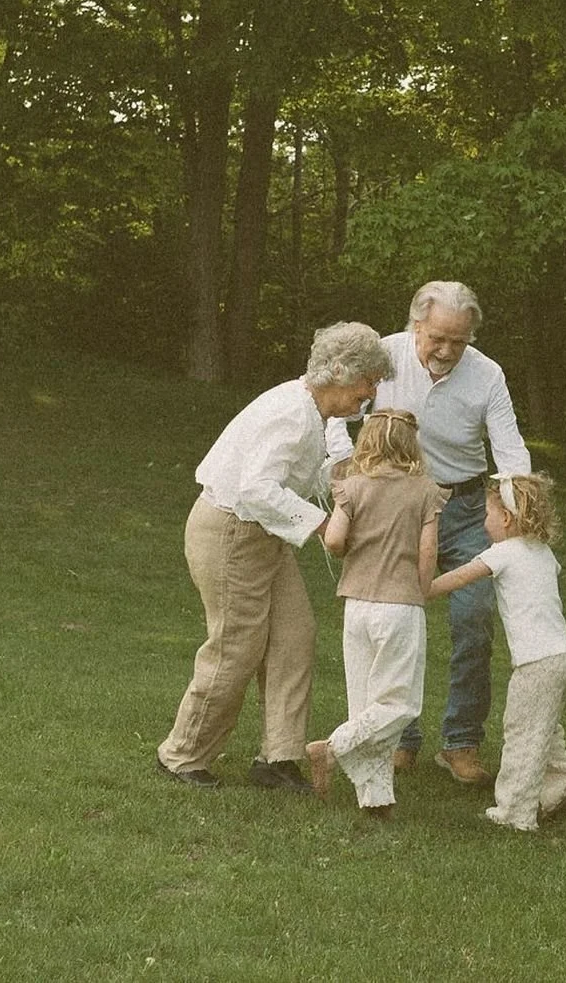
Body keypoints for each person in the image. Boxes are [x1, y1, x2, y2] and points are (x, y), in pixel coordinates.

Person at [156, 321, 394, 794]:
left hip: (262, 535)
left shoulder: (317, 412)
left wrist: (349, 483)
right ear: (340, 371)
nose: (371, 393)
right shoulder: (290, 411)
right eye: (368, 381)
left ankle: (278, 758)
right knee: (236, 646)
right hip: (230, 531)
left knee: (294, 636)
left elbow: (316, 466)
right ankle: (182, 756)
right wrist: (324, 524)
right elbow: (256, 488)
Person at [325, 280, 530, 786]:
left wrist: (519, 508)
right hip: (395, 508)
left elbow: (509, 448)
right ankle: (399, 738)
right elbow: (336, 410)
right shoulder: (384, 356)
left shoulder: (487, 375)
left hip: (463, 508)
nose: (446, 351)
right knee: (398, 624)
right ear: (416, 324)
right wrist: (341, 464)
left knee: (474, 618)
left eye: (458, 341)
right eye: (437, 338)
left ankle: (460, 742)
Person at [428, 472, 566, 832]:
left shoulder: (501, 553)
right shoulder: (544, 553)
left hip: (536, 662)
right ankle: (564, 776)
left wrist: (416, 590)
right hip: (563, 656)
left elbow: (458, 578)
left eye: (487, 513)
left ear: (505, 518)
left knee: (521, 731)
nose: (483, 522)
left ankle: (515, 811)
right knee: (543, 727)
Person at [306, 409, 442, 818]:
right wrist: (422, 590)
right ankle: (332, 748)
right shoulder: (425, 491)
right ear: (410, 444)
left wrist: (349, 548)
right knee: (400, 704)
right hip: (400, 607)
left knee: (364, 701)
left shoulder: (352, 487)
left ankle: (376, 798)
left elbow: (333, 541)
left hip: (357, 605)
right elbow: (428, 551)